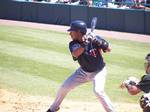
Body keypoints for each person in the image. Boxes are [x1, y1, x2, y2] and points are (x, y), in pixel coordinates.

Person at [46, 20, 115, 112]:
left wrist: (97, 40)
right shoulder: (73, 44)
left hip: (99, 71)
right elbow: (75, 54)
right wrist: (85, 43)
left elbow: (109, 49)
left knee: (98, 91)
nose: (70, 33)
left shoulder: (94, 39)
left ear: (78, 32)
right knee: (64, 87)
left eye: (72, 31)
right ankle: (53, 108)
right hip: (83, 72)